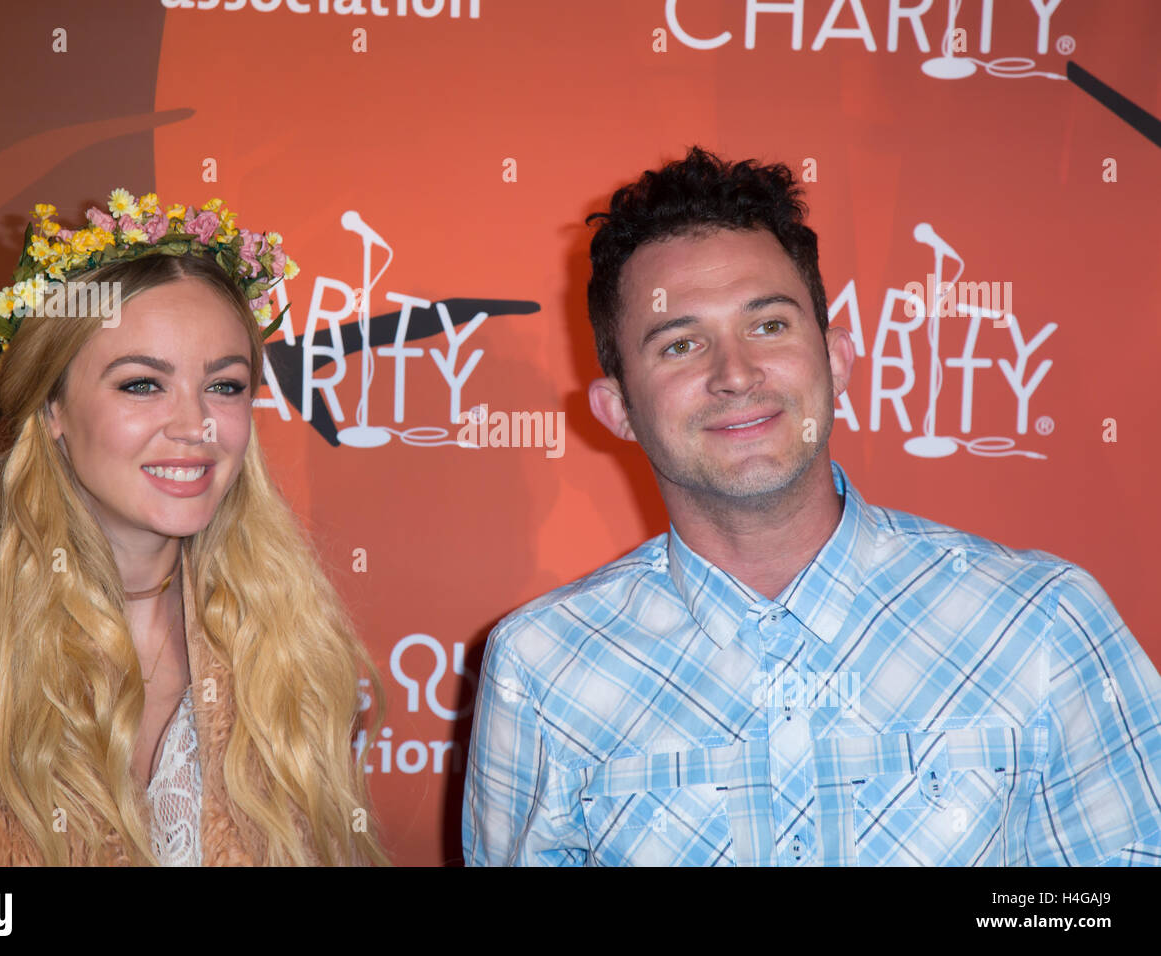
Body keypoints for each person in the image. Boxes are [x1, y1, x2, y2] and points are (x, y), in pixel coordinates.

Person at [462, 147, 1161, 866]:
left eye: (768, 326)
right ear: (618, 410)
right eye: (680, 344)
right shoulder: (541, 669)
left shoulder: (1041, 623)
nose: (734, 375)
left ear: (837, 360)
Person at [0, 191, 387, 866]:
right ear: (52, 409)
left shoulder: (293, 650)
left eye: (224, 386)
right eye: (143, 384)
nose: (194, 426)